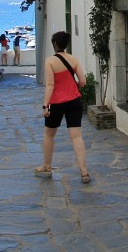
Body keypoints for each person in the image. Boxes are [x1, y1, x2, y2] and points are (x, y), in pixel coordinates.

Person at [35, 31, 89, 183]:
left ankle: (46, 166)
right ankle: (84, 172)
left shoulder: (50, 61)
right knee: (76, 136)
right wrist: (72, 88)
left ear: (55, 44)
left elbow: (50, 85)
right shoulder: (73, 59)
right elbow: (83, 82)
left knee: (49, 134)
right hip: (74, 102)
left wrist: (45, 105)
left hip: (57, 103)